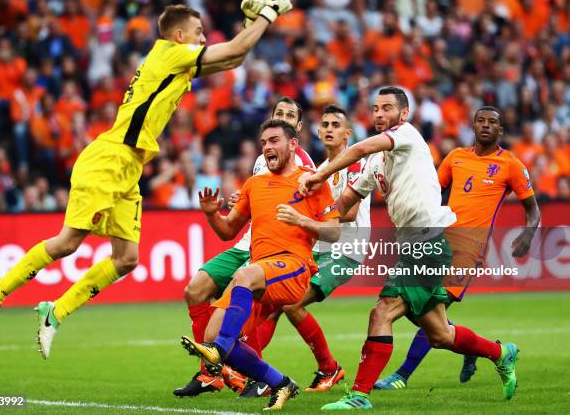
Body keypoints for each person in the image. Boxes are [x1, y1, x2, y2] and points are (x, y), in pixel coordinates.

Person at [0, 0, 294, 359]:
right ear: (179, 36)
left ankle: (54, 312)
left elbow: (233, 59)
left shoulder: (175, 60)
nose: (204, 38)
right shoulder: (170, 53)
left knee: (127, 259)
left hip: (128, 167)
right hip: (108, 158)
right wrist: (267, 15)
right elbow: (235, 51)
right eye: (199, 32)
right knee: (67, 242)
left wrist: (251, 25)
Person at [301, 87, 520, 410]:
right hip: (413, 244)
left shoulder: (406, 134)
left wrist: (319, 174)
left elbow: (360, 148)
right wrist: (309, 209)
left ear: (403, 114)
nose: (378, 114)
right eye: (375, 109)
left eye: (387, 108)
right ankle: (502, 353)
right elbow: (345, 206)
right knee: (440, 335)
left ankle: (359, 395)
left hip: (429, 241)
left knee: (383, 310)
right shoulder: (376, 161)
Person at [181, 119, 341, 411]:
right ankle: (281, 383)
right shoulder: (254, 184)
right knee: (211, 334)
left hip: (294, 267)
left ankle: (219, 351)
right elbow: (229, 230)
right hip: (259, 276)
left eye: (274, 140)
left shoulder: (312, 181)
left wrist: (301, 220)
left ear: (293, 144)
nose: (267, 146)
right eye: (264, 142)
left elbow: (334, 231)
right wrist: (211, 214)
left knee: (241, 283)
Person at [375, 106, 539, 389]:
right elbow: (430, 192)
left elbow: (533, 209)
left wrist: (528, 235)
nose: (486, 126)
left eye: (492, 123)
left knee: (431, 304)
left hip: (469, 248)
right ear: (472, 126)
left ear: (501, 130)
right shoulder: (456, 157)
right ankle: (472, 347)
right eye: (480, 121)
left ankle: (401, 376)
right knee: (424, 312)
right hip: (437, 241)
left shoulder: (511, 165)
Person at [255, 104, 371, 393]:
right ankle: (259, 367)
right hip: (320, 250)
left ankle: (326, 368)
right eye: (325, 125)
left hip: (346, 250)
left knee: (290, 303)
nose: (329, 129)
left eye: (335, 125)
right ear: (318, 132)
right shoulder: (319, 171)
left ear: (348, 133)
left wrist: (307, 216)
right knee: (276, 303)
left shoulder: (355, 164)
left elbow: (351, 211)